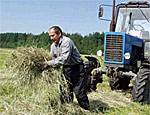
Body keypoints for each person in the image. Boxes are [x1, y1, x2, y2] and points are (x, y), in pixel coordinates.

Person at [45, 26, 90, 110]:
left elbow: (64, 59)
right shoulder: (53, 46)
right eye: (50, 36)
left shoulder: (67, 42)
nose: (51, 38)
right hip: (66, 68)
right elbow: (52, 58)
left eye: (52, 35)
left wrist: (49, 64)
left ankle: (86, 109)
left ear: (59, 34)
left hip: (77, 68)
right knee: (65, 91)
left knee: (79, 92)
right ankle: (67, 109)